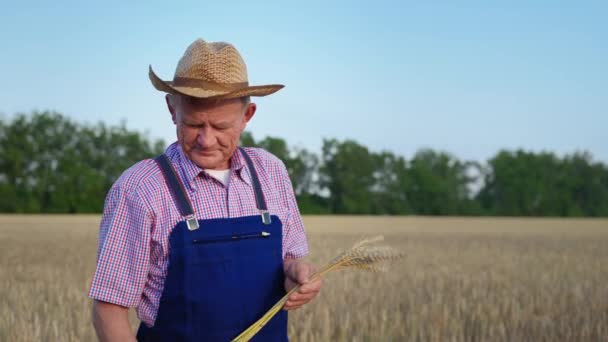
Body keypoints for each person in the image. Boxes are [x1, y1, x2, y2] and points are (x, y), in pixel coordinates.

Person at [88, 38, 323, 342]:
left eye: (221, 126)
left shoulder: (271, 172)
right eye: (194, 124)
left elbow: (289, 262)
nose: (206, 140)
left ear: (247, 115)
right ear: (172, 109)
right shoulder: (140, 188)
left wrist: (299, 278)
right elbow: (109, 308)